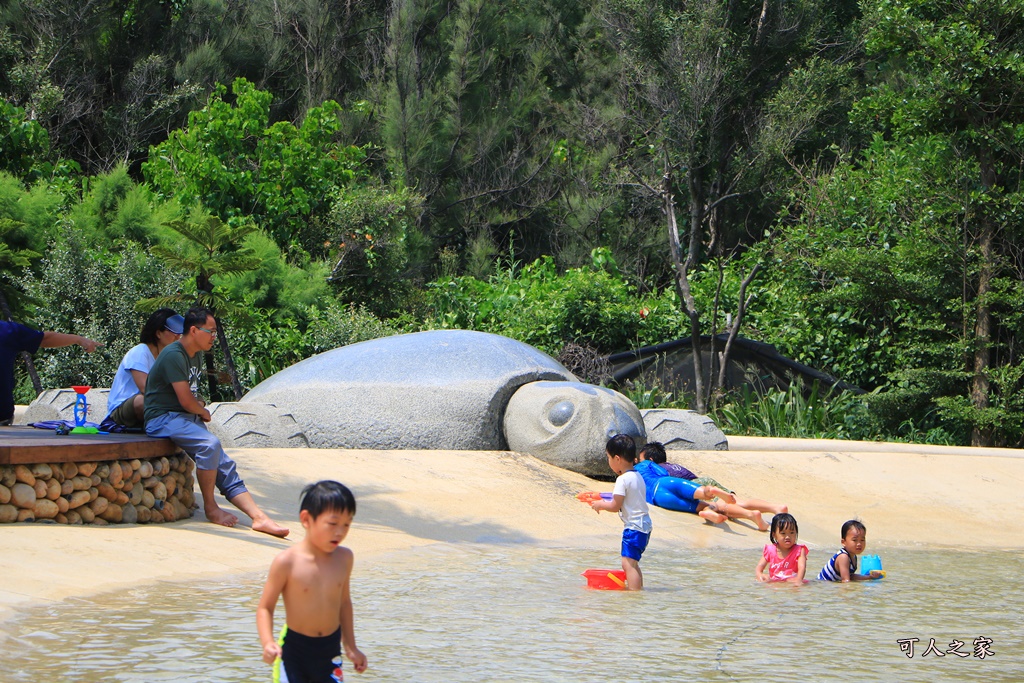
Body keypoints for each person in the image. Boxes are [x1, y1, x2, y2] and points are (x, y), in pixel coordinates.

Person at [143, 306, 288, 537]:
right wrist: (202, 410)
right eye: (210, 331)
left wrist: (197, 408)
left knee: (223, 462)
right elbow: (185, 398)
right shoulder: (174, 354)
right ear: (193, 330)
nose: (213, 336)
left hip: (184, 417)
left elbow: (191, 396)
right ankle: (211, 508)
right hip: (162, 418)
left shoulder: (196, 355)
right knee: (209, 444)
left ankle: (259, 517)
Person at [257, 481, 368, 682]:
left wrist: (351, 647)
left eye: (347, 524)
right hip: (293, 654)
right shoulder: (287, 562)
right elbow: (265, 608)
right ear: (307, 519)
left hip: (329, 652)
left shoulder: (344, 559)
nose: (340, 532)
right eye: (333, 524)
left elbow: (344, 603)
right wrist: (267, 642)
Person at [640, 442, 788, 526]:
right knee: (738, 501)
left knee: (723, 507)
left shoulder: (654, 469)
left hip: (684, 487)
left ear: (650, 460)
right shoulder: (674, 465)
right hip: (702, 481)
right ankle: (774, 507)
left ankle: (752, 515)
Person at [1, 320, 102, 425]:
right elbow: (45, 339)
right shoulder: (7, 330)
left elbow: (45, 339)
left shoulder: (7, 331)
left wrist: (78, 339)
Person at [101, 309, 184, 431]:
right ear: (158, 333)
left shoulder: (168, 358)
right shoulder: (140, 351)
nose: (178, 336)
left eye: (180, 332)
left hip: (156, 406)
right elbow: (146, 388)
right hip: (121, 412)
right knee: (143, 401)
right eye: (173, 331)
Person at [589, 434, 653, 590]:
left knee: (627, 564)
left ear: (617, 459)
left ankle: (633, 595)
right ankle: (638, 591)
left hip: (634, 527)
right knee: (633, 563)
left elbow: (615, 506)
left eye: (608, 458)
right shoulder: (637, 476)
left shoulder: (622, 479)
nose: (609, 462)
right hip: (644, 525)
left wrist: (600, 504)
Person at [818, 519, 883, 582]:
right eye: (854, 540)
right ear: (843, 542)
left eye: (862, 540)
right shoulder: (843, 557)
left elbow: (851, 576)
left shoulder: (853, 556)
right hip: (822, 584)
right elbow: (846, 581)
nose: (859, 544)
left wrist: (870, 577)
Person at [755, 513, 808, 583]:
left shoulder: (800, 550)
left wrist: (798, 579)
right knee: (757, 581)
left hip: (791, 581)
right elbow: (759, 566)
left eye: (792, 533)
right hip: (774, 583)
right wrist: (760, 575)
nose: (788, 537)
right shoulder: (770, 550)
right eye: (783, 533)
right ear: (774, 535)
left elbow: (802, 567)